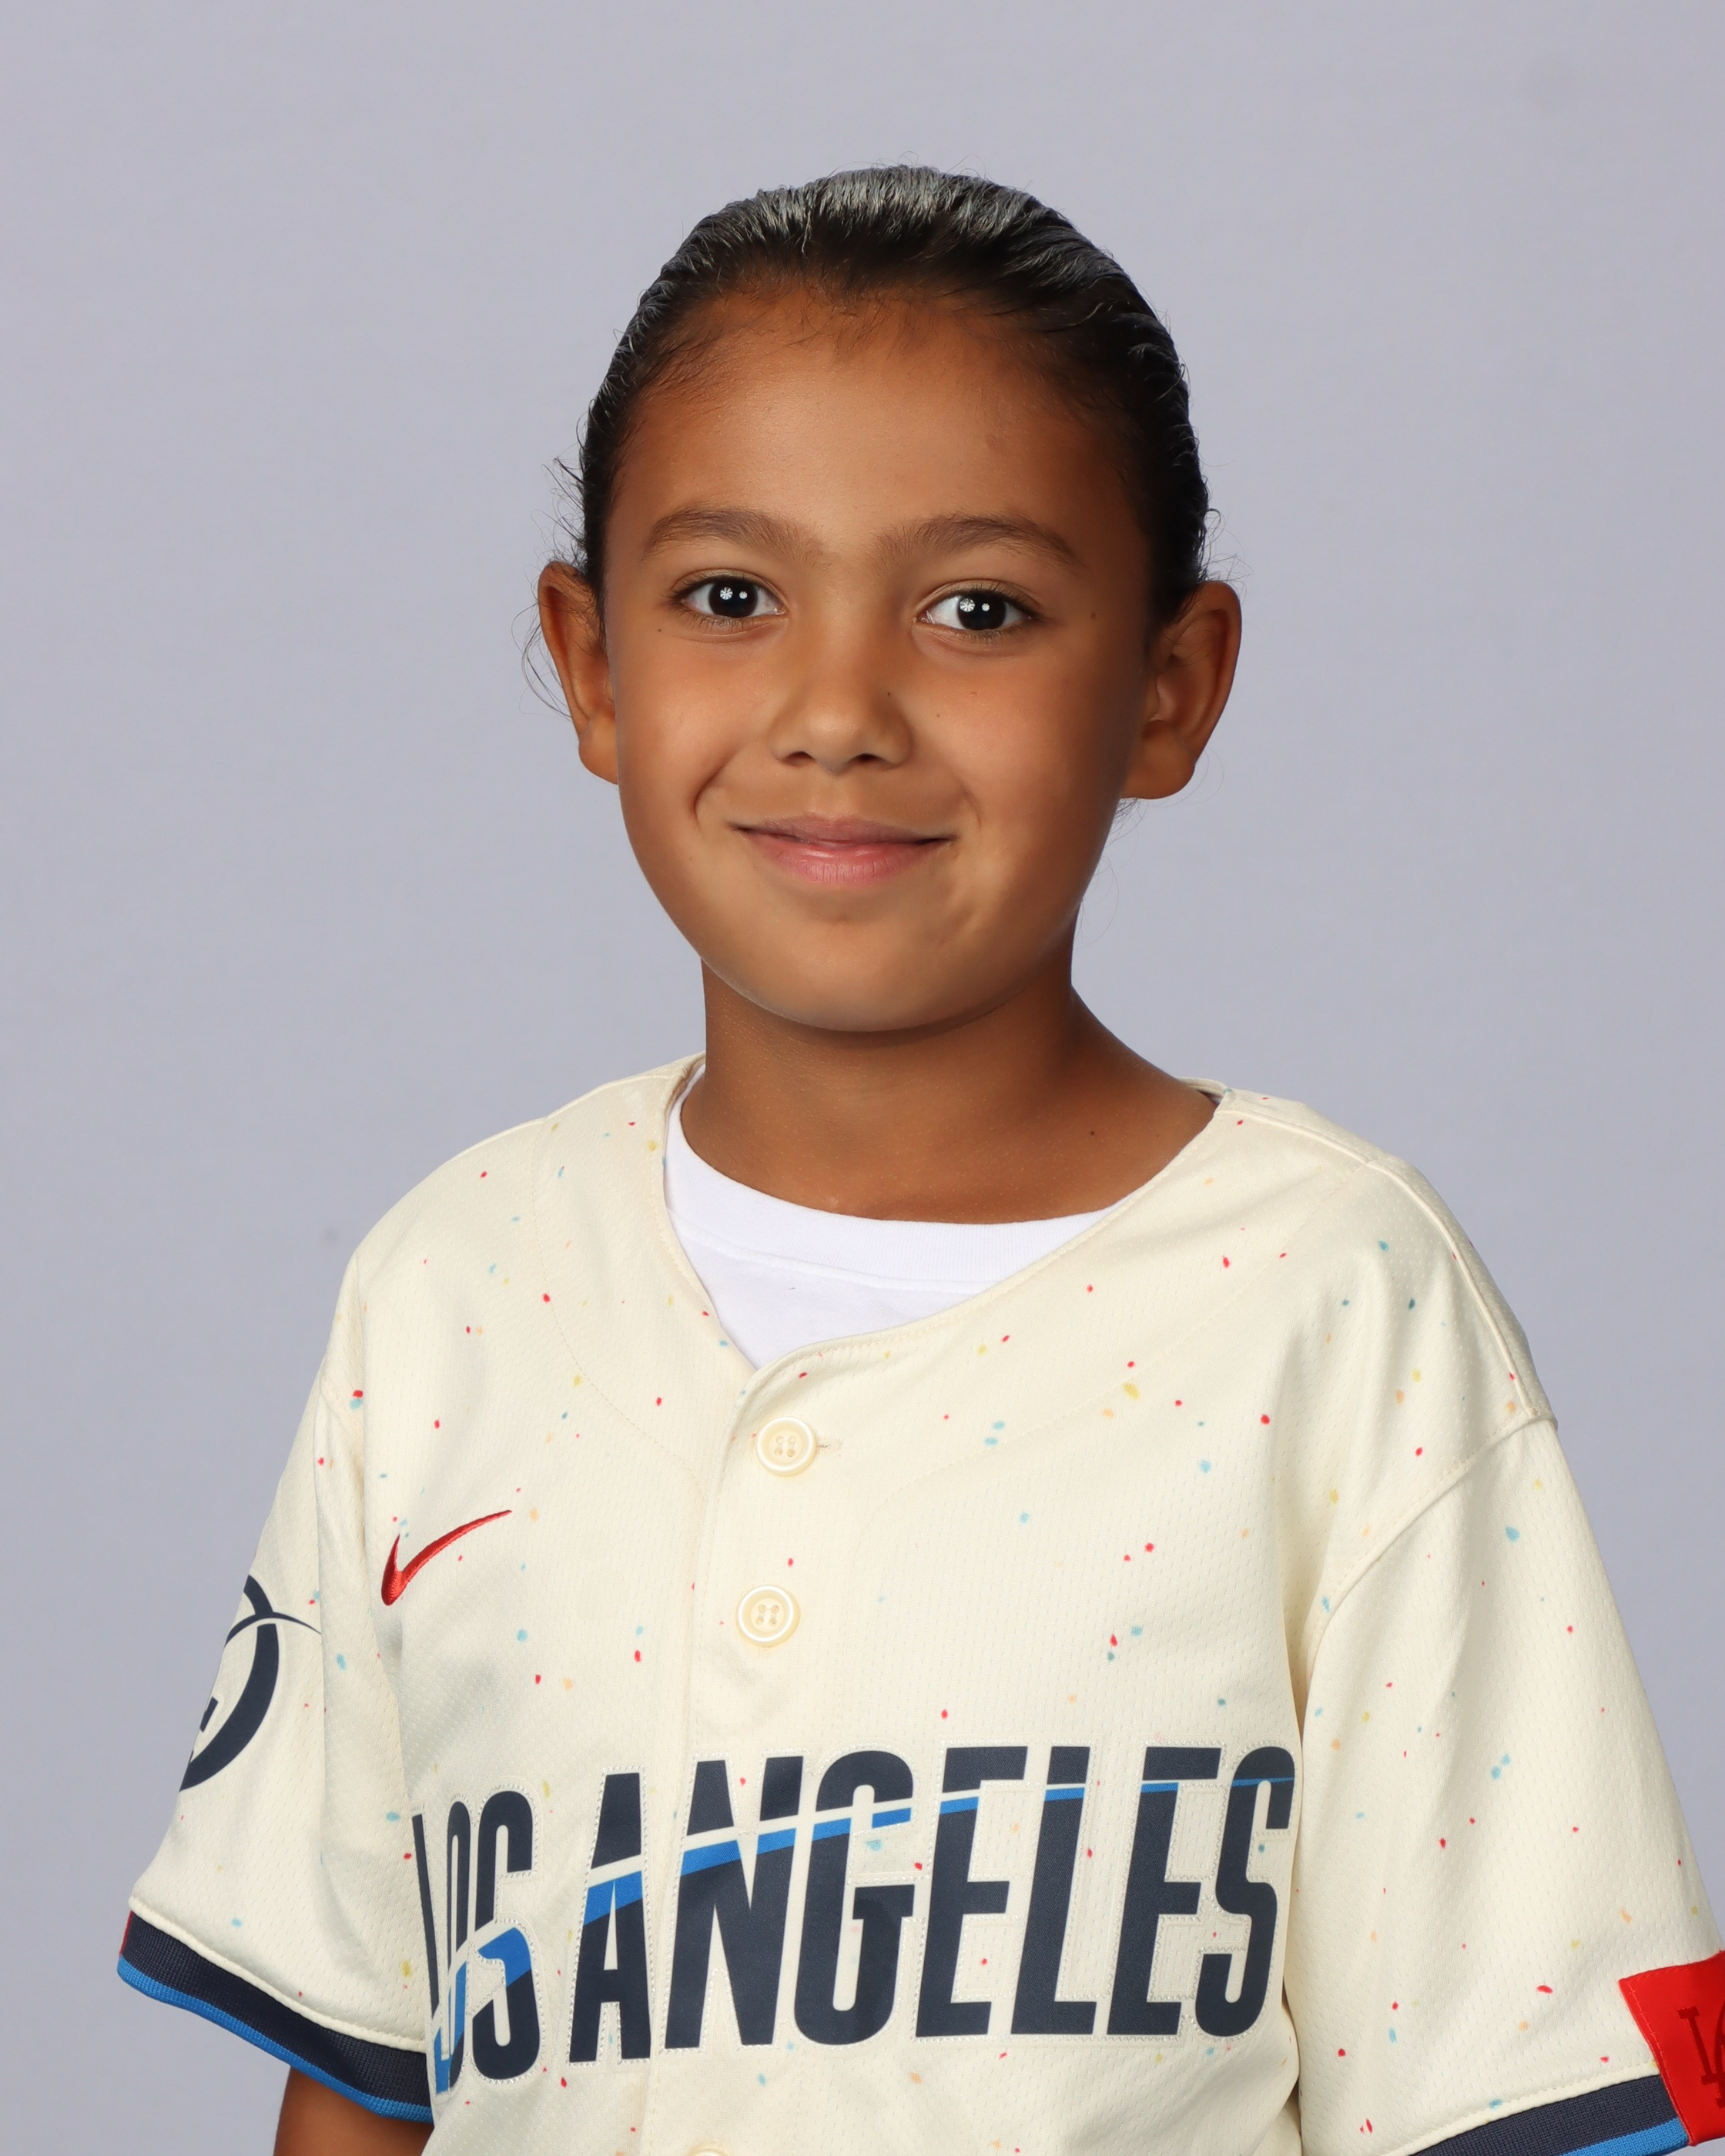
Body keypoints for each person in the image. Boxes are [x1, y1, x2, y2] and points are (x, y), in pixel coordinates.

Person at [119, 167, 1723, 2156]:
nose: (838, 714)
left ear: (1170, 685)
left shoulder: (1338, 1302)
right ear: (592, 663)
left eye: (979, 611)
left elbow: (1514, 2091)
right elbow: (364, 2078)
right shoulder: (454, 1286)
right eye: (731, 597)